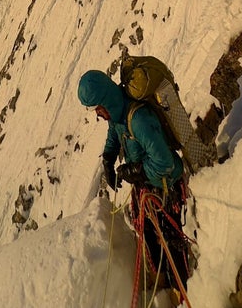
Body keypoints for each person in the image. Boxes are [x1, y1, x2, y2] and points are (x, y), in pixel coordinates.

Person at [78, 69, 190, 294]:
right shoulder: (119, 114)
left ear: (106, 101)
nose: (98, 115)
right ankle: (163, 286)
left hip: (166, 189)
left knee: (171, 245)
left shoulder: (138, 119)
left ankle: (183, 290)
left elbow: (165, 163)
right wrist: (108, 158)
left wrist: (136, 170)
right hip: (149, 189)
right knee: (149, 237)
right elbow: (115, 132)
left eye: (98, 109)